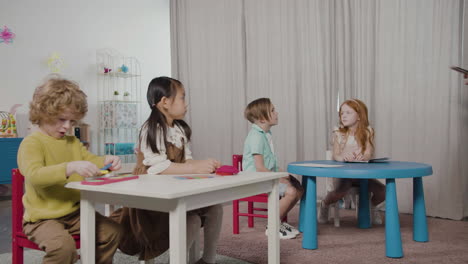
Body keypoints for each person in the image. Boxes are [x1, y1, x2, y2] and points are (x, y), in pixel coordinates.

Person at [110, 76, 223, 264]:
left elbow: (188, 161)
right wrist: (195, 167)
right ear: (165, 102)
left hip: (175, 192)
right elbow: (158, 167)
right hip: (151, 202)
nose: (186, 103)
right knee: (193, 221)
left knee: (215, 208)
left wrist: (203, 166)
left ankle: (208, 260)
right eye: (182, 98)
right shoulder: (151, 129)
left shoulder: (179, 130)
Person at [17, 76, 122, 264]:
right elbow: (35, 175)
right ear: (43, 112)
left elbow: (91, 161)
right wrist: (69, 167)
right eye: (61, 119)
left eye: (72, 122)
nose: (67, 126)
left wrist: (106, 160)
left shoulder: (72, 142)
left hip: (75, 214)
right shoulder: (31, 143)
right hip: (41, 219)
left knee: (113, 232)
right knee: (63, 248)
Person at [242, 98, 304, 239]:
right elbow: (260, 168)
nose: (277, 112)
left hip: (267, 176)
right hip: (256, 179)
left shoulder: (266, 135)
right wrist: (281, 178)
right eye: (272, 110)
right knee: (291, 191)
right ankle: (272, 225)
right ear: (262, 119)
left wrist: (284, 174)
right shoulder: (256, 137)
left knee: (299, 189)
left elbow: (271, 164)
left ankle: (278, 220)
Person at [318, 98, 385, 225]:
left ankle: (371, 206)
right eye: (342, 113)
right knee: (340, 192)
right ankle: (324, 204)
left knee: (383, 191)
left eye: (348, 112)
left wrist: (363, 157)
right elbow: (336, 154)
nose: (343, 115)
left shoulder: (368, 131)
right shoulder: (339, 132)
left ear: (359, 116)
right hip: (344, 175)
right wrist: (343, 157)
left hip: (362, 175)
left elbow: (369, 152)